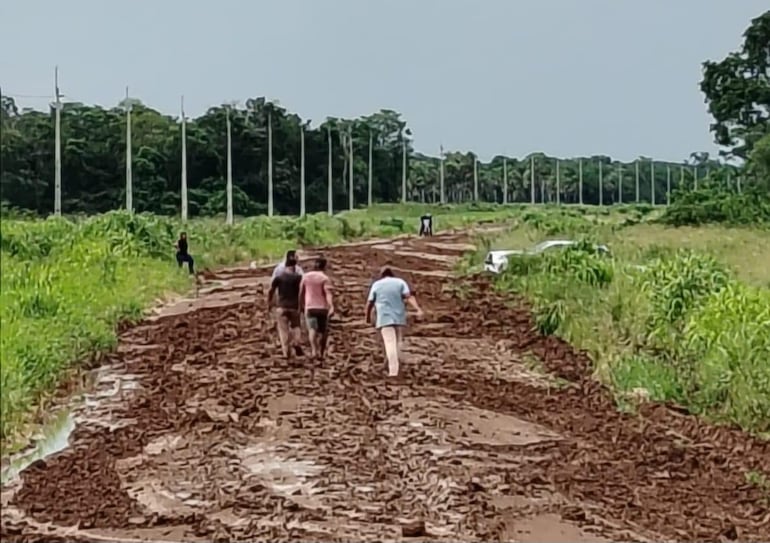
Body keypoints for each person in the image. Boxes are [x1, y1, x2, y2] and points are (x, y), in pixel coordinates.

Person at [365, 266, 424, 377]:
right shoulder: (400, 282)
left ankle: (393, 371)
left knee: (389, 343)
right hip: (399, 317)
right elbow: (408, 297)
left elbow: (370, 303)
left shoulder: (377, 285)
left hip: (384, 317)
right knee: (397, 342)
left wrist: (367, 317)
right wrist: (418, 309)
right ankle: (389, 365)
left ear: (382, 275)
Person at [267, 255, 304, 359]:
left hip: (281, 307)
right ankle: (296, 342)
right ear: (294, 266)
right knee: (296, 326)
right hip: (294, 307)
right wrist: (303, 305)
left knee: (283, 330)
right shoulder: (299, 278)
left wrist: (269, 303)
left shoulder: (279, 278)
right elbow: (302, 292)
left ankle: (286, 352)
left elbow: (271, 291)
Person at [299, 257, 334, 361]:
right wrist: (331, 306)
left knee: (312, 329)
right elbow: (328, 293)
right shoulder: (325, 278)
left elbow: (301, 292)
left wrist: (301, 305)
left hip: (310, 307)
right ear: (324, 266)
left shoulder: (305, 277)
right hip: (322, 308)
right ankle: (322, 352)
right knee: (323, 331)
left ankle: (314, 350)